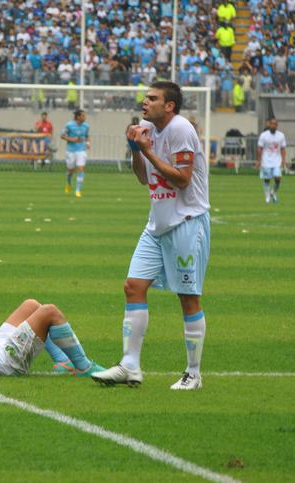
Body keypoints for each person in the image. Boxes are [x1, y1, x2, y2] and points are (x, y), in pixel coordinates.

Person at [92, 81, 210, 390]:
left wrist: (146, 150)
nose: (145, 102)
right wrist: (136, 151)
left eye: (153, 98)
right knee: (133, 287)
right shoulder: (147, 129)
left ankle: (193, 374)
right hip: (157, 223)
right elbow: (144, 177)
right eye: (146, 97)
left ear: (169, 106)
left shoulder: (180, 129)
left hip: (186, 222)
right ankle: (130, 365)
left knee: (188, 297)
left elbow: (183, 180)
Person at [256, 117, 287, 204]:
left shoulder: (281, 135)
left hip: (276, 161)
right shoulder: (264, 135)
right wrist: (258, 161)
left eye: (275, 124)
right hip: (266, 161)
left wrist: (284, 160)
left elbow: (283, 148)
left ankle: (273, 192)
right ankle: (267, 197)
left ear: (277, 125)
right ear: (269, 124)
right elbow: (259, 148)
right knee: (267, 179)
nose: (273, 126)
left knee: (278, 178)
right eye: (272, 124)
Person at [60, 109, 90, 198]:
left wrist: (88, 143)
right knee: (70, 171)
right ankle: (68, 183)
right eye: (83, 115)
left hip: (81, 150)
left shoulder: (86, 126)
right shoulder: (69, 125)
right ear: (78, 117)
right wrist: (72, 140)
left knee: (81, 168)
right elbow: (62, 135)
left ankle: (78, 190)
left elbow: (87, 135)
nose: (84, 117)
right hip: (71, 151)